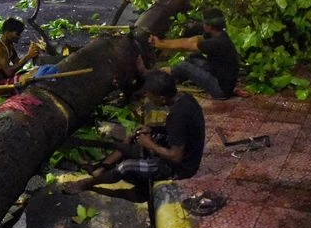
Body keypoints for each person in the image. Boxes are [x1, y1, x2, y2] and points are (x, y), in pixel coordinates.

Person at [63, 70, 205, 194]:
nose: (148, 98)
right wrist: (152, 129)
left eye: (150, 96)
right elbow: (178, 130)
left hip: (180, 168)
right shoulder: (186, 99)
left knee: (126, 167)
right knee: (136, 137)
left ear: (162, 98)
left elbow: (176, 157)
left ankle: (87, 184)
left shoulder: (178, 116)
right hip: (182, 149)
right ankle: (99, 169)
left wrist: (150, 145)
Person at [148, 8, 239, 100]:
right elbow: (190, 41)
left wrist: (158, 45)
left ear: (209, 26)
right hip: (221, 78)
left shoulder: (215, 43)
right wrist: (161, 42)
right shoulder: (219, 35)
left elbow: (186, 46)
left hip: (221, 91)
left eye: (204, 23)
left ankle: (165, 76)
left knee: (184, 66)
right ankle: (175, 77)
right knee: (194, 58)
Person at [0, 17, 41, 85]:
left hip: (9, 77)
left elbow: (17, 62)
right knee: (37, 75)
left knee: (39, 70)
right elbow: (9, 72)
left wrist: (33, 54)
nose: (19, 37)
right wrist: (28, 56)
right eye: (17, 34)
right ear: (7, 32)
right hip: (1, 84)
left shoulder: (9, 43)